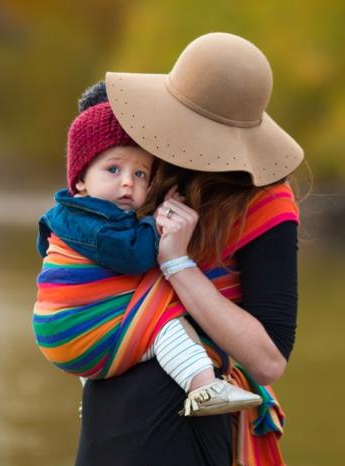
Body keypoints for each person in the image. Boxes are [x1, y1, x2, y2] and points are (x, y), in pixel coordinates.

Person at [75, 32, 304, 466]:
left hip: (183, 419)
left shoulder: (263, 202)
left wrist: (178, 263)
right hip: (106, 408)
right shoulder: (142, 165)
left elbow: (269, 360)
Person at [33, 82, 262, 417]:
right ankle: (202, 387)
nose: (128, 182)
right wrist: (158, 221)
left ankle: (94, 399)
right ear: (80, 179)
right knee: (162, 323)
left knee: (128, 313)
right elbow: (134, 255)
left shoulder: (67, 215)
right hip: (76, 324)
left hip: (62, 330)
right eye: (114, 169)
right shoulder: (95, 220)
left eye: (140, 174)